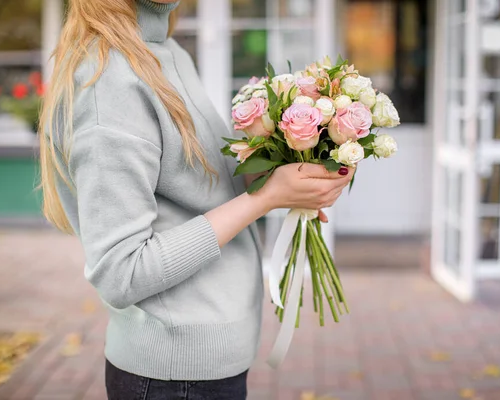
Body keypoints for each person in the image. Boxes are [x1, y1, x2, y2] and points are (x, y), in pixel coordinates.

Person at [37, 0, 352, 398]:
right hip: (173, 379)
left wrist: (291, 178)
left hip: (209, 365)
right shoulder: (108, 83)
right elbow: (122, 273)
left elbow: (202, 187)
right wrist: (264, 199)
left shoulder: (169, 51)